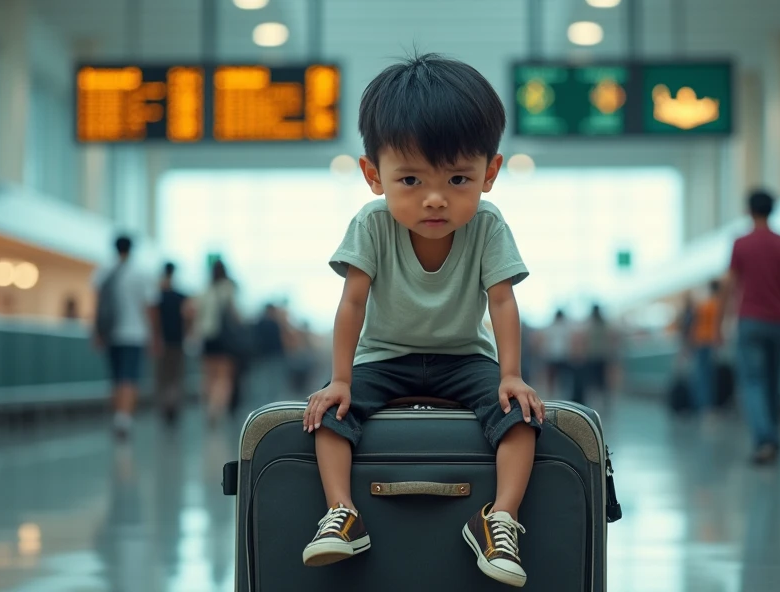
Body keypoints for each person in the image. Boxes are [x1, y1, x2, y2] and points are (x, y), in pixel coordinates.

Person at [298, 53, 543, 587]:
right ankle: (341, 513)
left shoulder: (488, 224)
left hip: (464, 359)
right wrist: (340, 379)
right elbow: (352, 304)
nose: (436, 198)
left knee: (520, 415)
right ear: (373, 175)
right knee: (330, 414)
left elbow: (502, 301)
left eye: (459, 178)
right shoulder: (372, 223)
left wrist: (510, 374)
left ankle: (500, 517)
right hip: (385, 358)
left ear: (490, 173)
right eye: (410, 179)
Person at [717, 190, 780, 465]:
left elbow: (729, 286)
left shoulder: (741, 244)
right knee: (774, 382)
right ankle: (773, 437)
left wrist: (720, 323)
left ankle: (765, 440)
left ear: (749, 211)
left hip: (751, 322)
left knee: (753, 382)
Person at [93, 236, 158, 439]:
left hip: (111, 333)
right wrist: (155, 334)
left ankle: (117, 416)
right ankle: (124, 419)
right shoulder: (140, 273)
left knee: (115, 377)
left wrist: (97, 331)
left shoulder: (103, 271)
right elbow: (148, 307)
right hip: (134, 334)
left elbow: (97, 304)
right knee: (129, 377)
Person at [195, 260, 240, 424]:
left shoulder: (205, 290)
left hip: (207, 339)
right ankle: (216, 408)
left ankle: (207, 405)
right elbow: (234, 314)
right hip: (224, 339)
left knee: (209, 376)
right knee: (224, 377)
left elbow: (196, 315)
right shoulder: (227, 288)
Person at [152, 262, 189, 425]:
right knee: (175, 377)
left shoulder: (157, 296)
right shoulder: (181, 297)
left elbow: (154, 319)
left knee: (162, 377)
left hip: (162, 342)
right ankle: (174, 407)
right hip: (178, 342)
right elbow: (189, 316)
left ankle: (164, 408)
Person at [691, 281, 722, 412]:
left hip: (699, 341)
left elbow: (695, 323)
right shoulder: (718, 305)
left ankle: (700, 404)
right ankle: (707, 405)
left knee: (700, 373)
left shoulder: (704, 305)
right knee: (708, 375)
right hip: (710, 341)